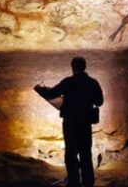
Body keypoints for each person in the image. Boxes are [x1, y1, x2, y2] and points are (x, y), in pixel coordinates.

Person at [34, 56, 104, 187]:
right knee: (85, 153)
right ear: (85, 67)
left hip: (70, 123)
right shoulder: (92, 82)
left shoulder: (68, 82)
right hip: (85, 123)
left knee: (71, 153)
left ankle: (74, 182)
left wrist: (40, 89)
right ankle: (88, 182)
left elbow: (52, 94)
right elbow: (99, 101)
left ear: (73, 67)